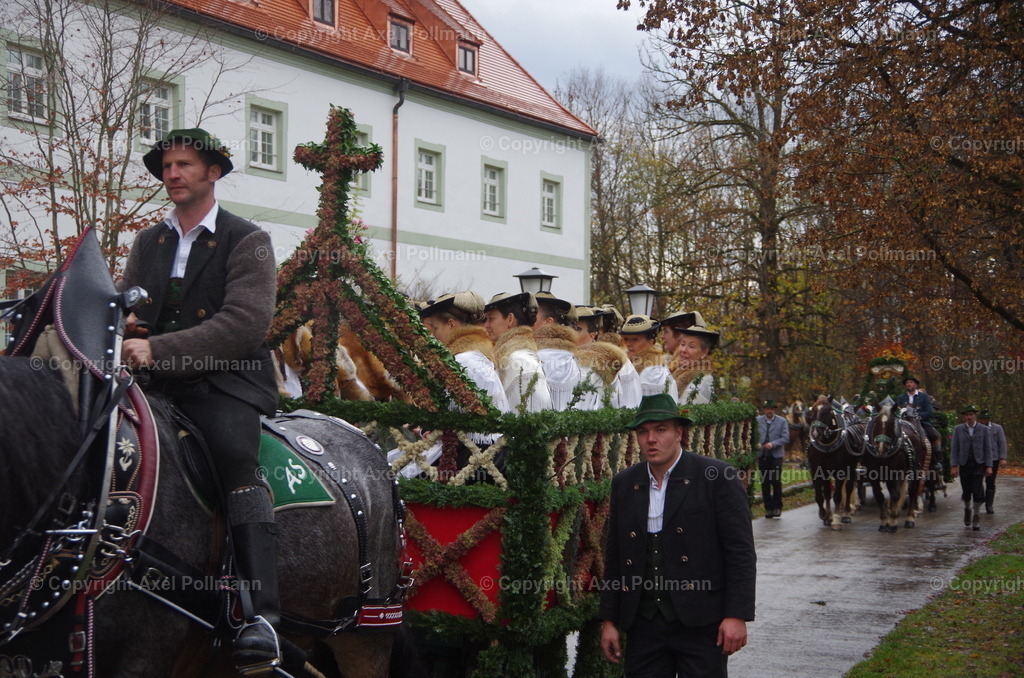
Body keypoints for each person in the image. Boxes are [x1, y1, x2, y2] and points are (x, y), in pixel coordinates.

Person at [122, 128, 281, 671]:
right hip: (154, 381)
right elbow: (135, 310)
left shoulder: (248, 239)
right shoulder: (148, 242)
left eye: (184, 164)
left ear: (213, 172)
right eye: (166, 165)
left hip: (227, 380)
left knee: (236, 457)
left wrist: (154, 349)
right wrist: (126, 324)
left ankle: (261, 614)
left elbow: (243, 325)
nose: (172, 174)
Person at [599, 394, 756, 676]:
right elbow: (616, 556)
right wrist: (609, 619)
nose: (651, 439)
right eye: (644, 432)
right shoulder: (625, 483)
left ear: (679, 433)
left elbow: (740, 552)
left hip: (702, 621)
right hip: (644, 624)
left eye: (661, 430)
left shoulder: (717, 477)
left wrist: (737, 615)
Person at [483, 292, 551, 412]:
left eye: (491, 318)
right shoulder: (516, 356)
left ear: (510, 319)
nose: (486, 325)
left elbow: (531, 415)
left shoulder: (519, 360)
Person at [532, 293, 584, 411]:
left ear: (548, 322)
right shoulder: (570, 354)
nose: (526, 321)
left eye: (533, 315)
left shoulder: (542, 356)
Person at [950, 404, 993, 531]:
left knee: (977, 490)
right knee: (966, 490)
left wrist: (989, 465)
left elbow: (988, 449)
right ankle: (967, 509)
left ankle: (976, 515)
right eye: (967, 415)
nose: (969, 417)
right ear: (964, 417)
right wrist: (954, 465)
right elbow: (955, 448)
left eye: (971, 415)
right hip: (964, 464)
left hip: (978, 464)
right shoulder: (958, 429)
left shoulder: (983, 429)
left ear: (975, 415)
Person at [661, 310, 719, 405]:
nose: (683, 350)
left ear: (705, 352)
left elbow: (688, 414)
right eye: (682, 344)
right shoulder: (676, 370)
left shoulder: (704, 380)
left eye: (691, 346)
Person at [619, 314, 679, 400]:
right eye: (625, 339)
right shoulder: (630, 366)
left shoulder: (652, 372)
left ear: (651, 342)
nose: (628, 344)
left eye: (635, 339)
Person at [756, 400, 789, 518]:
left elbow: (785, 437)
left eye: (771, 409)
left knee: (775, 481)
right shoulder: (758, 420)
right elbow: (754, 435)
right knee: (765, 482)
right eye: (767, 409)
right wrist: (757, 443)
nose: (769, 411)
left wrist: (773, 444)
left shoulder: (782, 421)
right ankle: (768, 508)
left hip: (776, 455)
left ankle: (777, 507)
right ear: (764, 410)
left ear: (774, 410)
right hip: (763, 455)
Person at [979, 408, 1007, 514]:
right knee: (977, 480)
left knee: (990, 482)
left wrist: (1002, 457)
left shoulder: (997, 428)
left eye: (986, 418)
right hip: (980, 459)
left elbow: (1002, 442)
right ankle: (980, 496)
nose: (984, 420)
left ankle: (989, 505)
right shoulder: (977, 428)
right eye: (983, 418)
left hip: (993, 458)